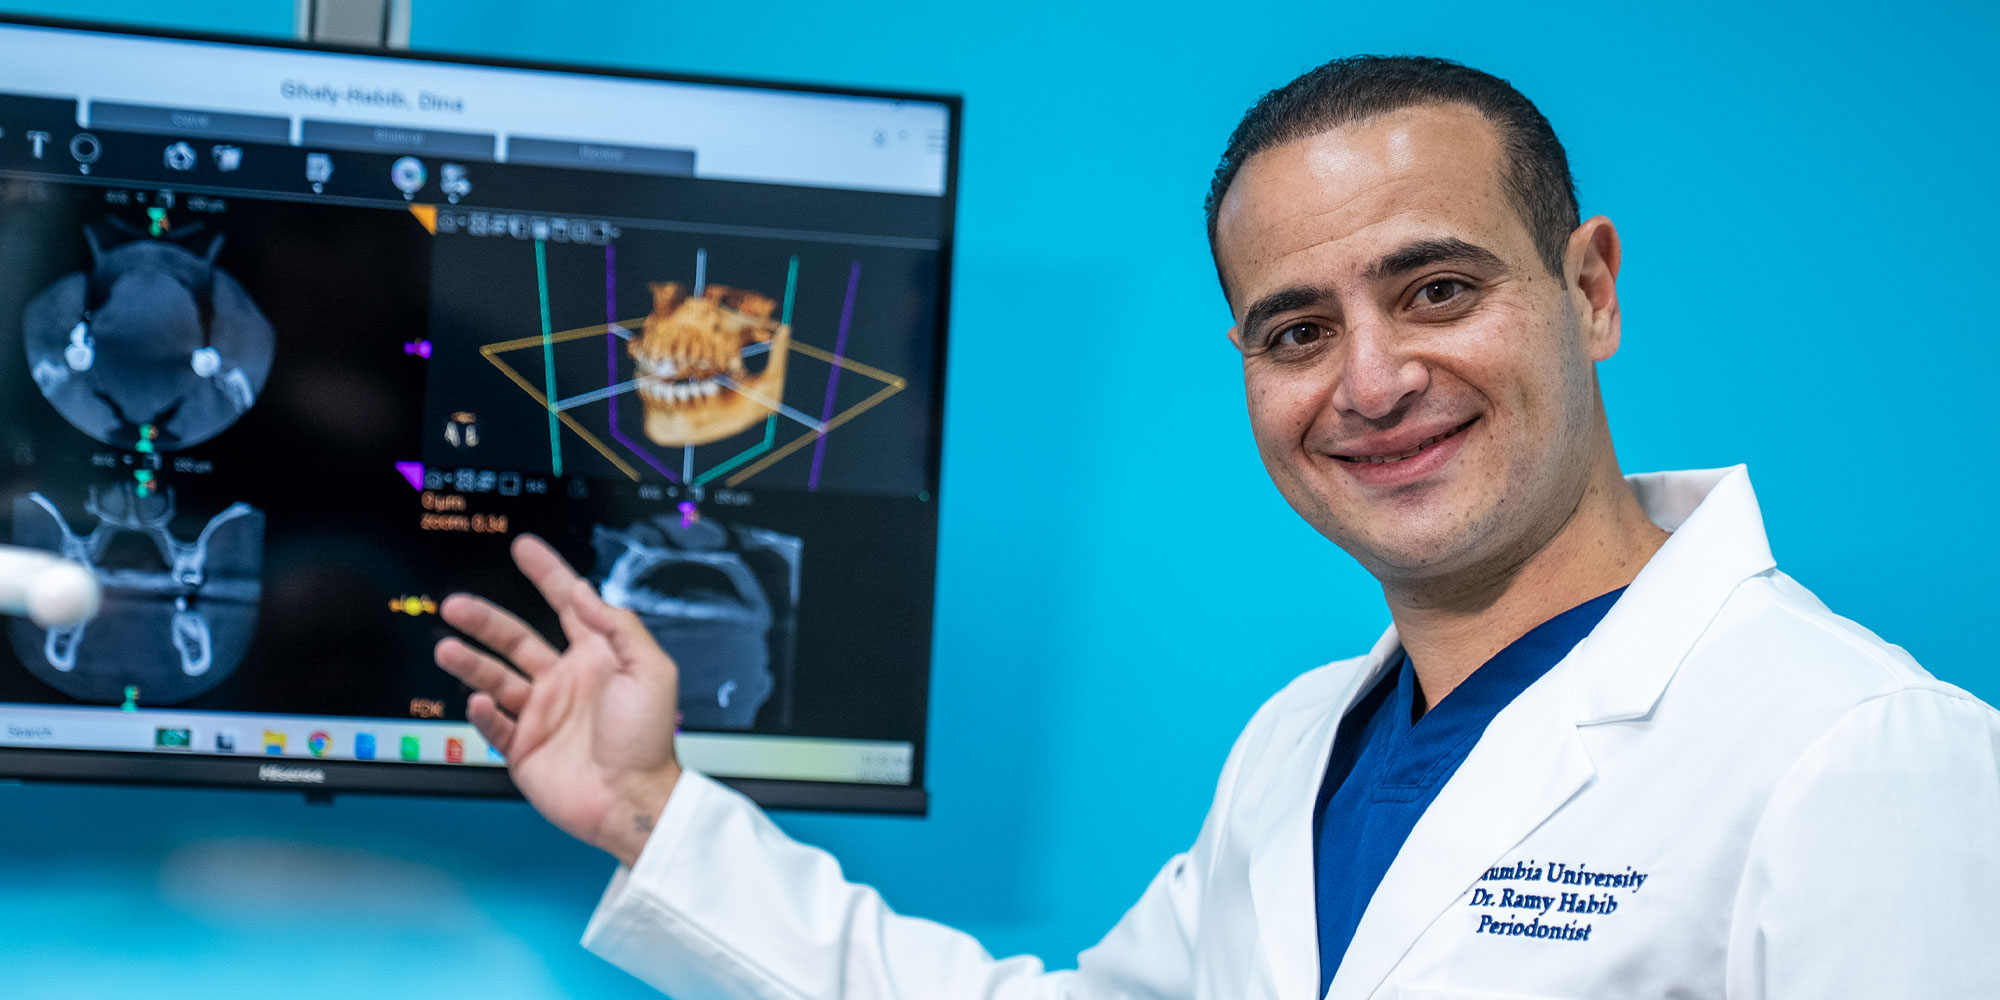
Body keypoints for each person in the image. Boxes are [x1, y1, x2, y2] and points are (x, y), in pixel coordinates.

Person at [434, 56, 2000, 999]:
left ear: (1588, 288)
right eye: (1296, 329)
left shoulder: (1857, 753)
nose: (1373, 382)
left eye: (1438, 289)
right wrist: (653, 809)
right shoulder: (1300, 747)